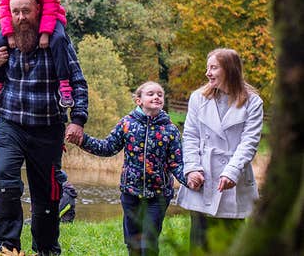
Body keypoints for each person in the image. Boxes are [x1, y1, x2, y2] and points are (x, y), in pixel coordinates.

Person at [0, 0, 89, 255]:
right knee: (4, 180)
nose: (21, 17)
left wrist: (78, 119)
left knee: (47, 194)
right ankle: (6, 246)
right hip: (10, 125)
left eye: (26, 11)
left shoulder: (56, 41)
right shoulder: (5, 40)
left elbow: (78, 82)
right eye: (15, 12)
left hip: (48, 129)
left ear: (38, 9)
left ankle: (47, 248)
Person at [75, 82, 186, 256]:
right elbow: (107, 147)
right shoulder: (127, 124)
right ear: (138, 100)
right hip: (131, 192)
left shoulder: (170, 129)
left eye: (160, 94)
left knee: (149, 242)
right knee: (133, 241)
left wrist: (191, 178)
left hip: (158, 195)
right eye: (151, 94)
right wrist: (83, 140)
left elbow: (177, 163)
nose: (156, 97)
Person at [177, 48, 263, 255]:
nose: (208, 73)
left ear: (229, 69)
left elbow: (249, 142)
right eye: (207, 68)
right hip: (203, 176)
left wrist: (231, 172)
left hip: (234, 179)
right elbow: (190, 136)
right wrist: (192, 169)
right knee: (199, 241)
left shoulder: (253, 103)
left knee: (230, 243)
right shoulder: (198, 98)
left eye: (213, 67)